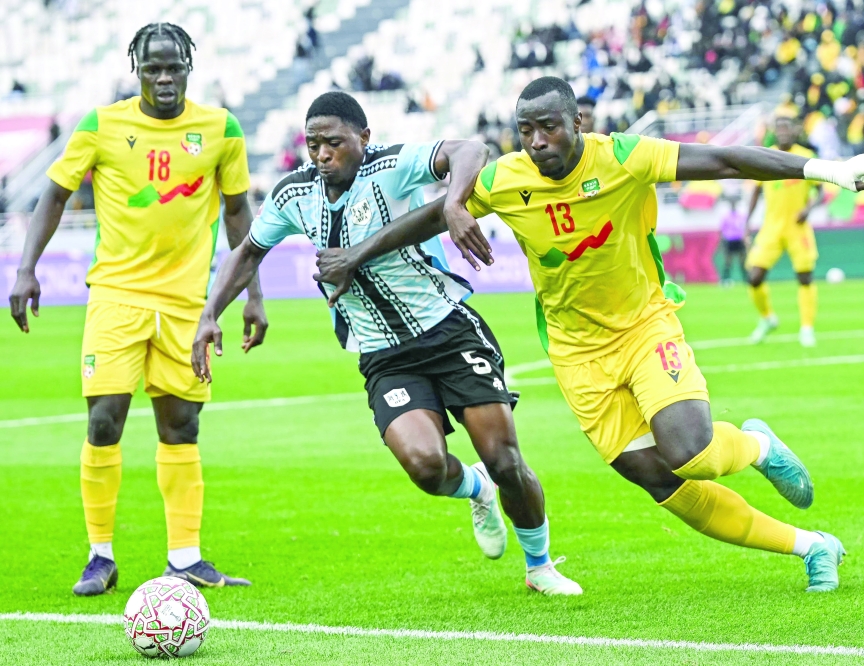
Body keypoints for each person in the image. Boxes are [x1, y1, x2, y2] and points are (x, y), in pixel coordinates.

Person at [315, 77, 864, 593]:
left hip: (645, 327)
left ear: (578, 123)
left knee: (691, 452)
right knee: (657, 478)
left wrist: (828, 169)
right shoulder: (506, 178)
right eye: (525, 131)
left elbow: (723, 160)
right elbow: (424, 218)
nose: (537, 142)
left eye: (548, 127)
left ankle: (757, 446)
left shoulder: (624, 156)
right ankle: (811, 547)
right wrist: (363, 252)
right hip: (576, 354)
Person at [192, 92, 582, 596]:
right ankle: (476, 488)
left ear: (364, 138)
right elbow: (248, 252)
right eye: (313, 144)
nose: (322, 154)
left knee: (505, 460)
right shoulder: (294, 194)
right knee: (426, 467)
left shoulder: (393, 166)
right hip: (383, 353)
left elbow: (470, 149)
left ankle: (540, 566)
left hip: (449, 331)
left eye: (334, 142)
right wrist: (210, 314)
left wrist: (454, 204)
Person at [8, 23, 266, 596]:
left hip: (186, 305)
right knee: (104, 421)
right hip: (116, 296)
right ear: (137, 70)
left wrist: (253, 295)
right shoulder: (102, 125)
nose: (164, 78)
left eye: (174, 67)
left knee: (182, 426)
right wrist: (26, 269)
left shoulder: (221, 129)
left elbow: (237, 213)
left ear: (189, 68)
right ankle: (100, 556)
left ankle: (185, 556)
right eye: (153, 68)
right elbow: (54, 195)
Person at [745, 115, 825, 347]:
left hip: (797, 228)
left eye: (786, 128)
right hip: (771, 227)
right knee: (754, 277)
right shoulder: (765, 156)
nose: (783, 132)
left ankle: (807, 328)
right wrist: (747, 223)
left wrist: (808, 209)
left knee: (804, 277)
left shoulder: (805, 156)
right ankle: (767, 318)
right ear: (774, 131)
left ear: (794, 131)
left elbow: (820, 191)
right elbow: (755, 192)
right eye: (779, 128)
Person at [718, 198, 748, 286]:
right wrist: (722, 243)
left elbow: (745, 228)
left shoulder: (741, 216)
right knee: (728, 262)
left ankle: (746, 280)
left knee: (743, 261)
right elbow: (722, 230)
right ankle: (725, 280)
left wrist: (746, 239)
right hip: (729, 240)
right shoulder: (726, 216)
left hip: (739, 240)